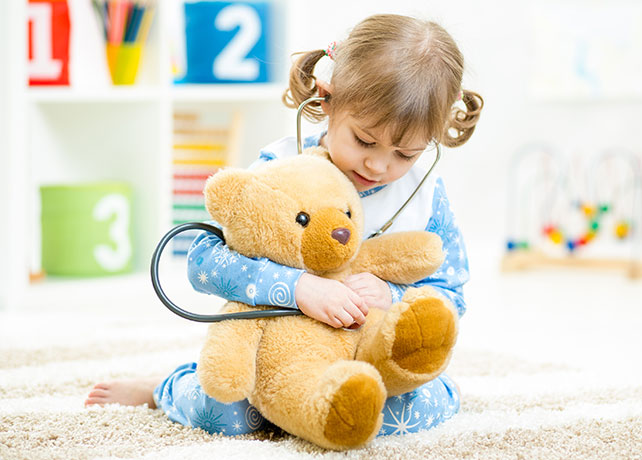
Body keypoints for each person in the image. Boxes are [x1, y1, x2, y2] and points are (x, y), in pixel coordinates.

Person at [85, 13, 483, 438]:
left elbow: (451, 294)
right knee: (225, 415)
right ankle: (166, 387)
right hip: (279, 352)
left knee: (405, 411)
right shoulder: (281, 169)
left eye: (406, 154)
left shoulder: (425, 195)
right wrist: (297, 287)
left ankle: (330, 405)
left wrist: (393, 294)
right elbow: (204, 262)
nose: (379, 164)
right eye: (365, 140)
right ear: (326, 99)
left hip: (365, 355)